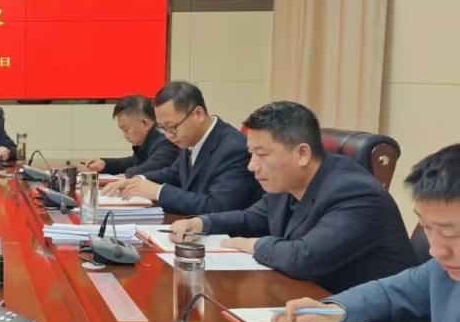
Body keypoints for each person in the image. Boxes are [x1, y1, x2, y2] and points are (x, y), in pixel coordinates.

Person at [271, 144, 460, 322]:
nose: (436, 250)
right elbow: (390, 292)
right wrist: (334, 310)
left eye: (452, 234)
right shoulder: (441, 270)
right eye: (427, 227)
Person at [170, 101, 416, 293]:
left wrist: (252, 244)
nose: (252, 166)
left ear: (302, 154)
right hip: (314, 303)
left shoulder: (355, 193)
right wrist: (200, 223)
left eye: (261, 154)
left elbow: (304, 258)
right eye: (250, 153)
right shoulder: (287, 183)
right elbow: (250, 218)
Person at [102, 81, 262, 214]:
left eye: (172, 127)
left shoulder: (234, 148)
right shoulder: (191, 138)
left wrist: (159, 192)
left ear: (198, 114)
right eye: (162, 128)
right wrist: (138, 180)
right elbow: (175, 173)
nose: (168, 135)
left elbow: (218, 206)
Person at [84, 95, 180, 177]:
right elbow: (134, 162)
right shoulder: (151, 140)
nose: (124, 136)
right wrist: (105, 164)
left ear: (144, 123)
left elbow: (145, 170)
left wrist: (124, 176)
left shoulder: (166, 141)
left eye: (126, 130)